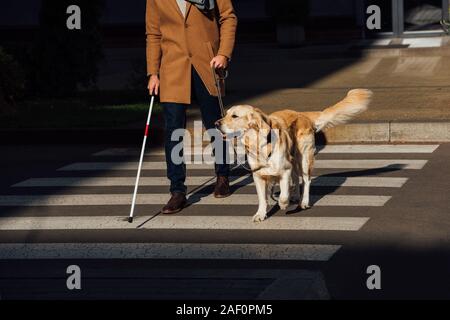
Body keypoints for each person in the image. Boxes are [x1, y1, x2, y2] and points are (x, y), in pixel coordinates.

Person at [146, 0, 238, 214]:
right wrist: (153, 72)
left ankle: (223, 175)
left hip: (207, 63)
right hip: (172, 67)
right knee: (173, 130)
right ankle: (177, 191)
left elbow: (228, 17)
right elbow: (153, 33)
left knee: (215, 124)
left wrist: (223, 53)